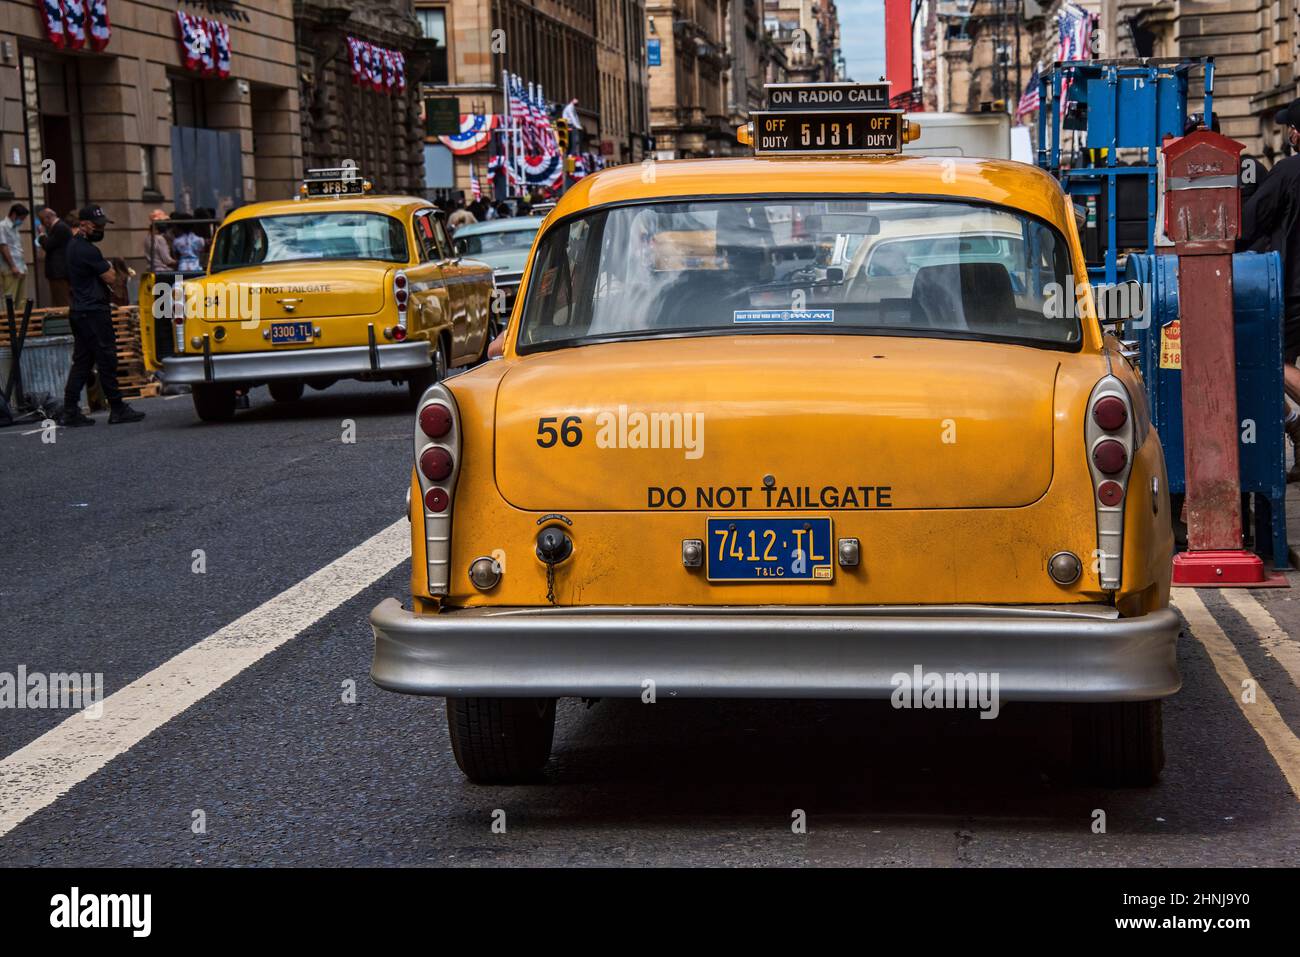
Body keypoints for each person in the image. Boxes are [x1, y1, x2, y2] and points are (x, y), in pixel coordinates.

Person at [1242, 99, 1300, 479]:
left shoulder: (1286, 172)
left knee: (1267, 359)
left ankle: (1295, 420)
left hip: (1293, 286)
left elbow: (1249, 223)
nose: (1288, 134)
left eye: (1291, 129)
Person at [59, 205, 145, 426]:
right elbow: (110, 277)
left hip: (79, 311)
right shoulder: (88, 250)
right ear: (84, 224)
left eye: (103, 225)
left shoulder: (72, 246)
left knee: (82, 361)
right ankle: (117, 408)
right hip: (94, 312)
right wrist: (109, 266)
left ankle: (70, 410)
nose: (101, 229)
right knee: (106, 358)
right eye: (98, 225)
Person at [36, 206, 74, 307]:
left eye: (42, 220)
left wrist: (42, 234)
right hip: (58, 272)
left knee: (62, 302)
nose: (42, 224)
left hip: (59, 272)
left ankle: (66, 322)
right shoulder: (58, 227)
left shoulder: (60, 227)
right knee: (58, 301)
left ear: (48, 217)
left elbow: (48, 245)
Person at [0, 203, 29, 306]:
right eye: (21, 218)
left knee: (21, 300)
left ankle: (21, 321)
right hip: (9, 268)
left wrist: (23, 266)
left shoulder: (15, 227)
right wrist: (13, 266)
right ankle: (8, 322)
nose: (22, 221)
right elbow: (3, 247)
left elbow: (17, 248)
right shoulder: (2, 226)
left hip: (20, 267)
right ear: (13, 214)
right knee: (9, 298)